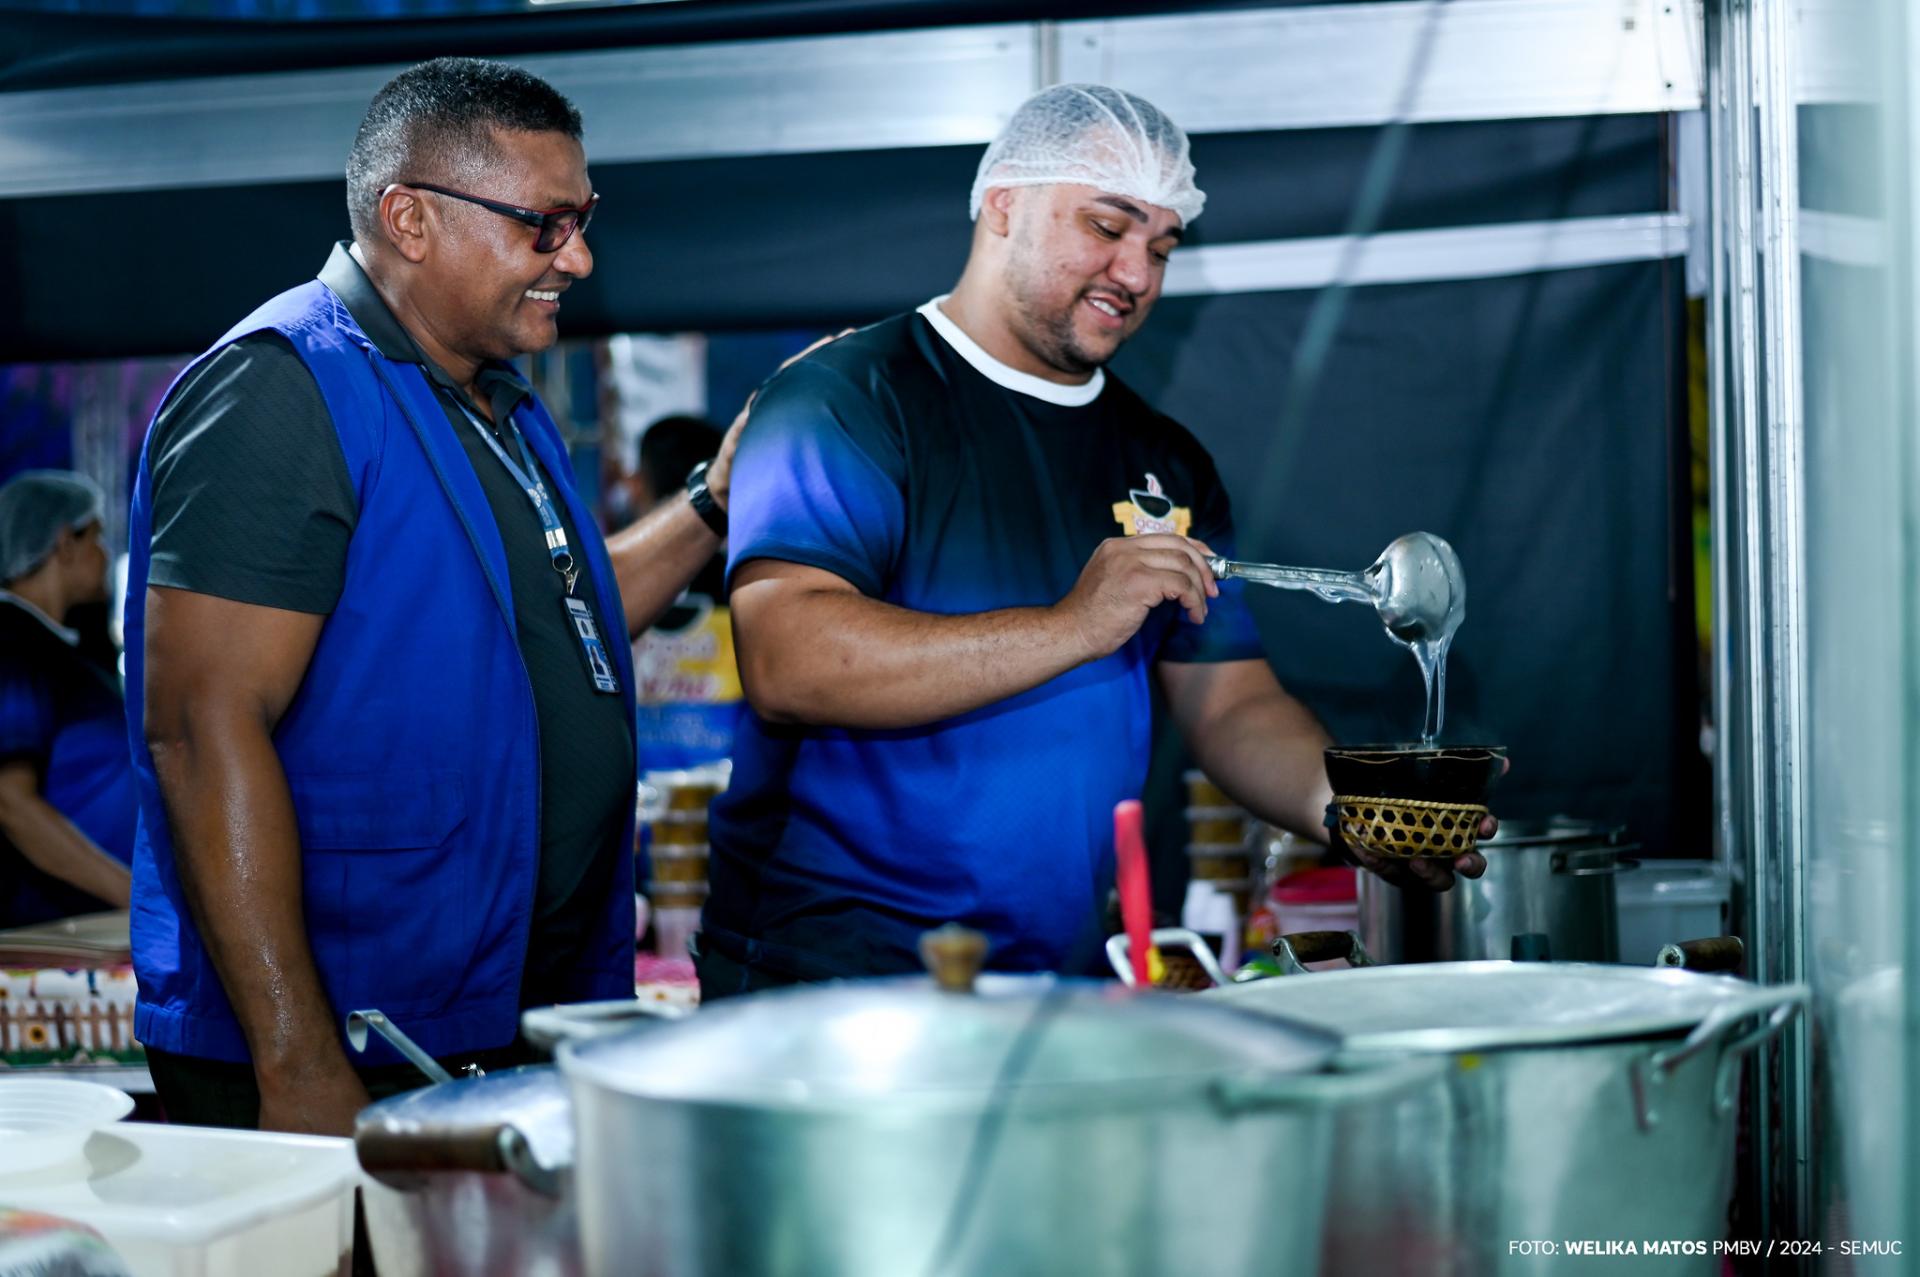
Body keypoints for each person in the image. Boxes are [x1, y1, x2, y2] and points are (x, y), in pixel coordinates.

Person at [703, 84, 1495, 996]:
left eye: (1161, 246)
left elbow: (1229, 705)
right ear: (1003, 203)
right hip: (835, 977)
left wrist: (1354, 816)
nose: (1137, 272)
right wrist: (1076, 623)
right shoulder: (849, 401)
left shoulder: (1162, 459)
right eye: (1107, 226)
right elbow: (789, 658)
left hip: (1064, 979)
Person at [124, 57, 737, 1135]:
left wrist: (710, 500)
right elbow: (198, 725)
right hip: (355, 1042)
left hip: (499, 1014)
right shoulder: (282, 385)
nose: (579, 258)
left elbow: (567, 624)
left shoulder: (493, 399)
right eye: (543, 225)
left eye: (582, 219)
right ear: (409, 218)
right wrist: (299, 1058)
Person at [0, 471, 136, 927]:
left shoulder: (52, 647)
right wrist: (129, 894)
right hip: (51, 936)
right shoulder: (14, 645)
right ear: (64, 543)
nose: (104, 555)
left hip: (81, 925)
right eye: (97, 537)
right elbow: (10, 801)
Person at [624, 415, 743, 773]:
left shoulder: (610, 585)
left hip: (633, 806)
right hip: (724, 799)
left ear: (639, 484)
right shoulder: (744, 581)